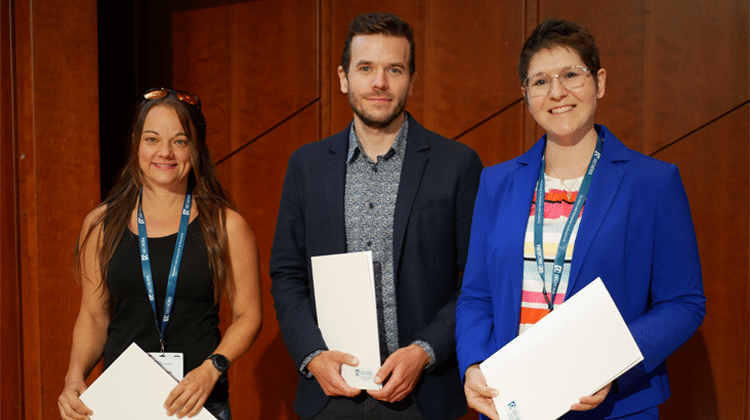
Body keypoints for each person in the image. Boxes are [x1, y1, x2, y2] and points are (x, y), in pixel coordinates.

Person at [455, 17, 706, 420]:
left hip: (614, 406)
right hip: (513, 403)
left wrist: (609, 364)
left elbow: (684, 302)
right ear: (526, 95)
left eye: (571, 74)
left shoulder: (653, 183)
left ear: (599, 83)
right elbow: (476, 296)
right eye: (540, 82)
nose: (557, 92)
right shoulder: (496, 182)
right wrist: (473, 365)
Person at [269, 12, 483, 420]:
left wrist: (425, 351)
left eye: (394, 69)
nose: (379, 83)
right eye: (365, 68)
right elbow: (286, 275)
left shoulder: (456, 165)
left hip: (423, 396)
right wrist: (313, 356)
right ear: (344, 77)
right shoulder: (306, 167)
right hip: (332, 395)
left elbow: (475, 280)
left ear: (411, 80)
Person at [57, 88, 263, 420]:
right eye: (152, 139)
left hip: (196, 405)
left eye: (179, 141)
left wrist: (212, 368)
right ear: (136, 145)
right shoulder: (100, 223)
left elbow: (249, 316)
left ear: (196, 149)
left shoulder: (227, 226)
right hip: (122, 404)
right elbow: (94, 316)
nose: (164, 152)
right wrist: (74, 376)